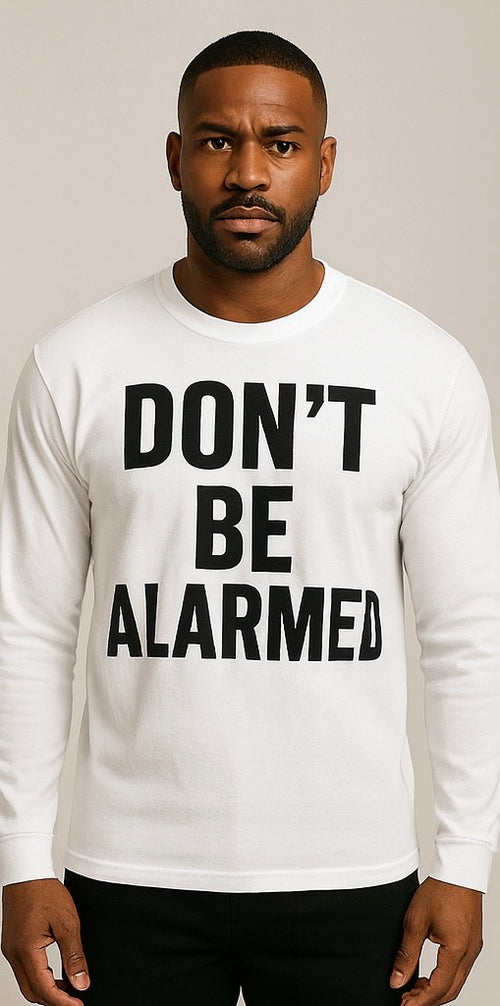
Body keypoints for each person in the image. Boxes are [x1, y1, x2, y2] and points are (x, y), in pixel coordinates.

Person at [0, 28, 499, 1006]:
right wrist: (21, 855)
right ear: (175, 157)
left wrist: (463, 858)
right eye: (217, 140)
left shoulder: (422, 369)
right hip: (127, 874)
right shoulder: (77, 365)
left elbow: (464, 633)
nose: (247, 172)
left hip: (351, 872)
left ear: (325, 162)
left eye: (280, 143)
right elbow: (30, 627)